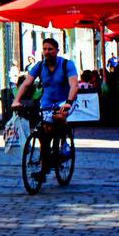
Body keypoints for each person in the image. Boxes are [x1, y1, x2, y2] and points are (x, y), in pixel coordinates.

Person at [12, 37, 79, 181]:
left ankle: (64, 144)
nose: (47, 52)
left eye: (50, 49)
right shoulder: (39, 66)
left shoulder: (67, 64)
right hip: (47, 102)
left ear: (57, 51)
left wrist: (68, 102)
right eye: (45, 49)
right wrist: (16, 100)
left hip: (65, 100)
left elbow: (74, 84)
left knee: (59, 117)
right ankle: (43, 170)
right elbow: (26, 84)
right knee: (44, 133)